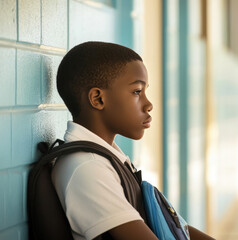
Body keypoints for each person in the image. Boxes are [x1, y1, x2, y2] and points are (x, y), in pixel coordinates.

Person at [52, 41, 214, 240]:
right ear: (98, 99)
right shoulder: (87, 167)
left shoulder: (106, 157)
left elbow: (178, 228)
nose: (148, 104)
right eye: (137, 92)